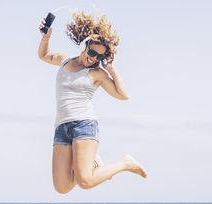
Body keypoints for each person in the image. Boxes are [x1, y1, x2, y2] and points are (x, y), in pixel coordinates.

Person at [38, 10, 147, 194]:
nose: (94, 58)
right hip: (61, 127)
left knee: (85, 182)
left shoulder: (97, 73)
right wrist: (46, 37)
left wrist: (111, 69)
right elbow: (43, 55)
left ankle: (125, 163)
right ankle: (92, 160)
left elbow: (123, 95)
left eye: (100, 56)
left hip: (84, 125)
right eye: (92, 52)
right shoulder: (65, 61)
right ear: (85, 45)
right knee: (62, 187)